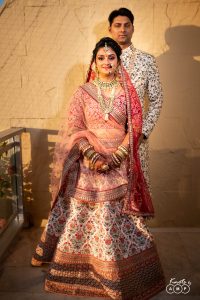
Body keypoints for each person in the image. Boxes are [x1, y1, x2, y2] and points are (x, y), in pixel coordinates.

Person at [31, 37, 165, 299]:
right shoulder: (83, 92)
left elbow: (135, 127)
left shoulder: (129, 94)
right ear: (94, 61)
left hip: (119, 161)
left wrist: (119, 155)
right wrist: (91, 154)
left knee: (120, 218)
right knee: (84, 216)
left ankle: (122, 273)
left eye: (111, 57)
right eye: (101, 58)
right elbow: (74, 126)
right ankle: (86, 270)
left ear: (118, 61)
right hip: (88, 163)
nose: (106, 62)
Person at [108, 7, 163, 190]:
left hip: (136, 138)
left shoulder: (146, 61)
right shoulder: (101, 60)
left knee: (135, 190)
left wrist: (143, 133)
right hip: (106, 139)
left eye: (127, 25)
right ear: (110, 29)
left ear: (133, 28)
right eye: (117, 25)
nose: (122, 29)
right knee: (110, 191)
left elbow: (157, 100)